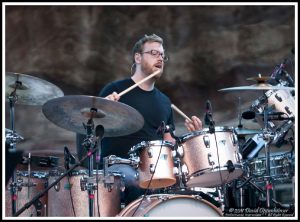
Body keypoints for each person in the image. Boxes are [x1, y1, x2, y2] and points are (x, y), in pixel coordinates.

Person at [77, 33, 202, 206]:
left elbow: (168, 142)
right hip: (117, 166)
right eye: (153, 53)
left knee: (183, 189)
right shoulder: (115, 90)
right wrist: (102, 108)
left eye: (162, 55)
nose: (160, 58)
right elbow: (88, 127)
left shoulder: (164, 101)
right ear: (137, 57)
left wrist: (193, 138)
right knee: (136, 182)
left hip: (153, 169)